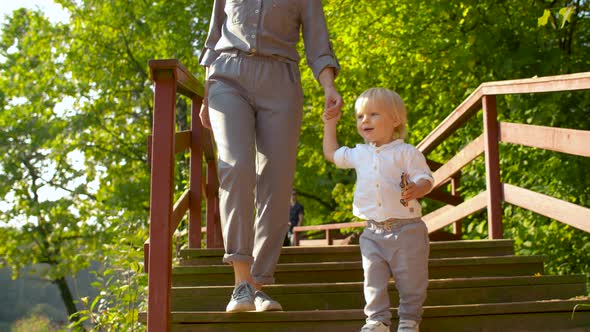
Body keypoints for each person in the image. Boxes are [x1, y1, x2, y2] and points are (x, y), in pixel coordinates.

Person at [199, 0, 342, 313]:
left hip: (281, 80)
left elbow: (318, 43)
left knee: (277, 183)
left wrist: (328, 86)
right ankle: (240, 283)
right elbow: (213, 37)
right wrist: (207, 93)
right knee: (236, 167)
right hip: (227, 76)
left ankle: (260, 284)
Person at [322, 88, 433, 332]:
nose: (365, 121)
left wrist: (418, 188)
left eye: (373, 114)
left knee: (411, 281)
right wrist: (330, 123)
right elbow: (331, 154)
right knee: (373, 280)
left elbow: (425, 177)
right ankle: (377, 320)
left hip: (407, 230)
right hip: (372, 232)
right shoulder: (359, 153)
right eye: (360, 116)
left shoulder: (406, 152)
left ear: (395, 120)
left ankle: (409, 319)